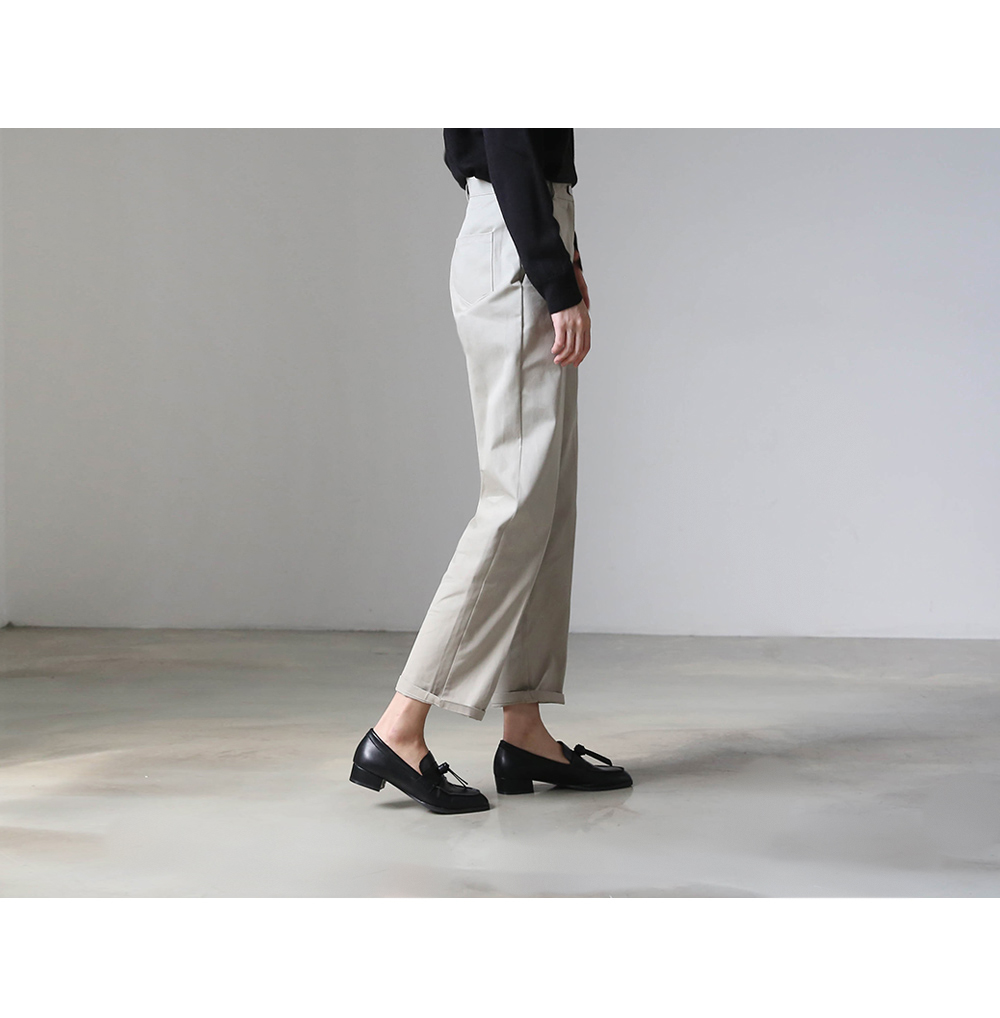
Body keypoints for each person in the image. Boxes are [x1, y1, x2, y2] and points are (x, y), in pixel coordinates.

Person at [350, 129, 632, 814]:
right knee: (516, 501)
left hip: (528, 230)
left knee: (546, 501)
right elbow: (508, 146)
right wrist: (552, 271)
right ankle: (399, 727)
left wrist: (566, 254)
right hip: (516, 237)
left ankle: (524, 728)